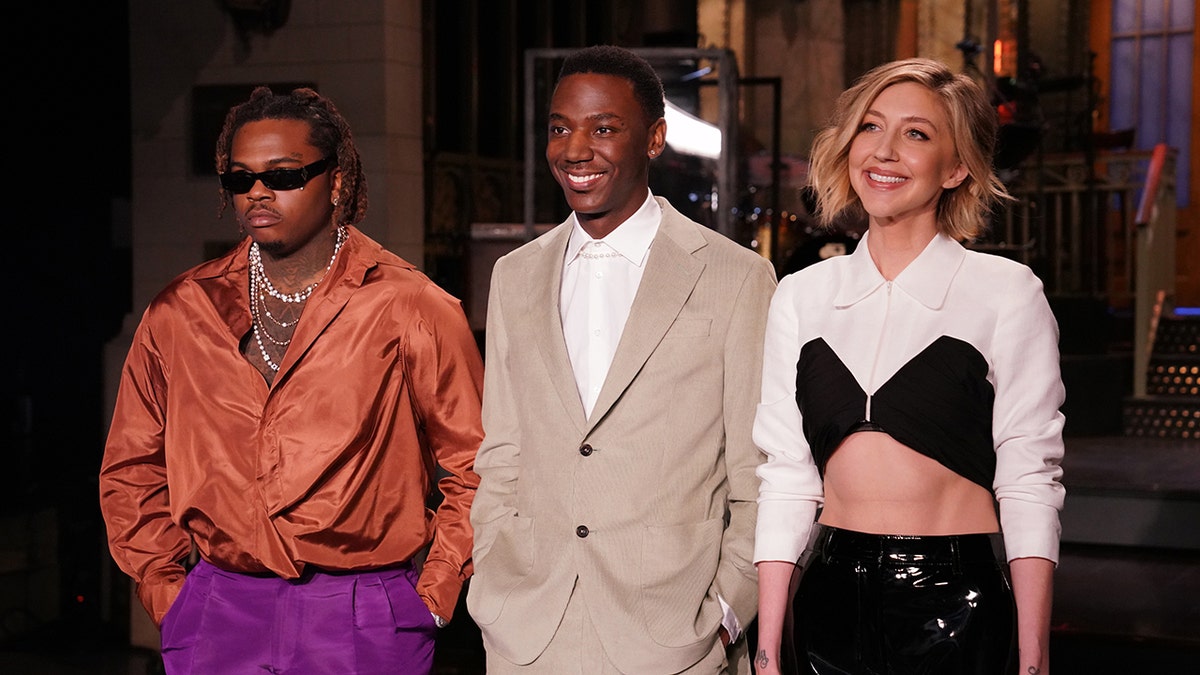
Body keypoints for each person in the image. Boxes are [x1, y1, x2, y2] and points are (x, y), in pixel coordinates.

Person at [99, 86, 484, 675]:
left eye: (283, 175)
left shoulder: (411, 307)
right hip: (218, 607)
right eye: (240, 177)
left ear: (336, 182)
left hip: (363, 612)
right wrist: (169, 592)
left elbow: (478, 465)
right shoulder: (181, 312)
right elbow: (131, 466)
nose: (258, 191)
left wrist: (429, 599)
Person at [467, 45, 777, 674]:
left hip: (675, 636)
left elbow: (760, 472)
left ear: (655, 139)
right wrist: (494, 576)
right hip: (528, 630)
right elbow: (501, 451)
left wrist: (724, 613)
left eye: (604, 128)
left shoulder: (737, 277)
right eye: (560, 128)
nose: (575, 149)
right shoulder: (515, 275)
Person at [753, 59, 1065, 675]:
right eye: (870, 127)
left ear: (957, 167)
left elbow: (1031, 477)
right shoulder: (802, 294)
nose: (885, 151)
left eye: (916, 134)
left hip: (958, 601)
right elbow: (787, 477)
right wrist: (767, 650)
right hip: (829, 593)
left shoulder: (1007, 293)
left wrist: (1034, 657)